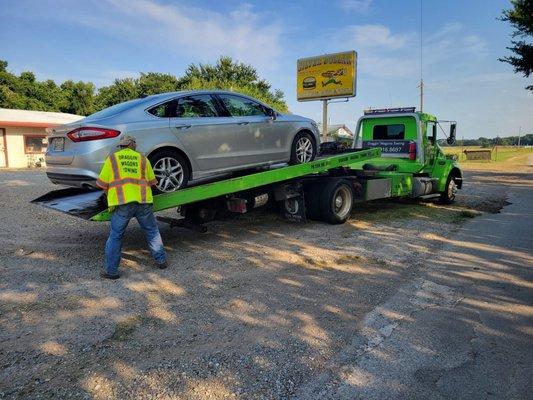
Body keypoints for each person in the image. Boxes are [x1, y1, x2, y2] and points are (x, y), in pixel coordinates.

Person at [96, 135, 168, 279]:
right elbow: (153, 182)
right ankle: (161, 261)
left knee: (116, 236)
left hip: (122, 204)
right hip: (143, 202)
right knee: (152, 231)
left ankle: (112, 272)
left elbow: (102, 185)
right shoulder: (142, 159)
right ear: (132, 144)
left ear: (122, 146)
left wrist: (111, 196)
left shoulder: (112, 159)